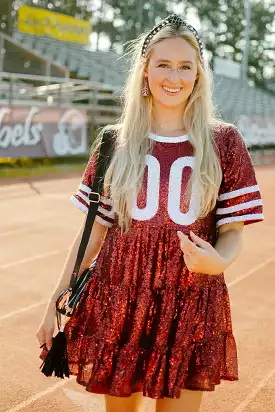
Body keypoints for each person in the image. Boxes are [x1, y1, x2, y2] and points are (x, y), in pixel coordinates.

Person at [37, 14, 264, 412]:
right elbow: (94, 232)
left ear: (198, 75)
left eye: (184, 66)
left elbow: (233, 232)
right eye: (163, 64)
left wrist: (219, 261)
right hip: (121, 293)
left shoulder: (224, 142)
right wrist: (55, 299)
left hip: (191, 297)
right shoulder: (115, 142)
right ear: (145, 71)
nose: (173, 76)